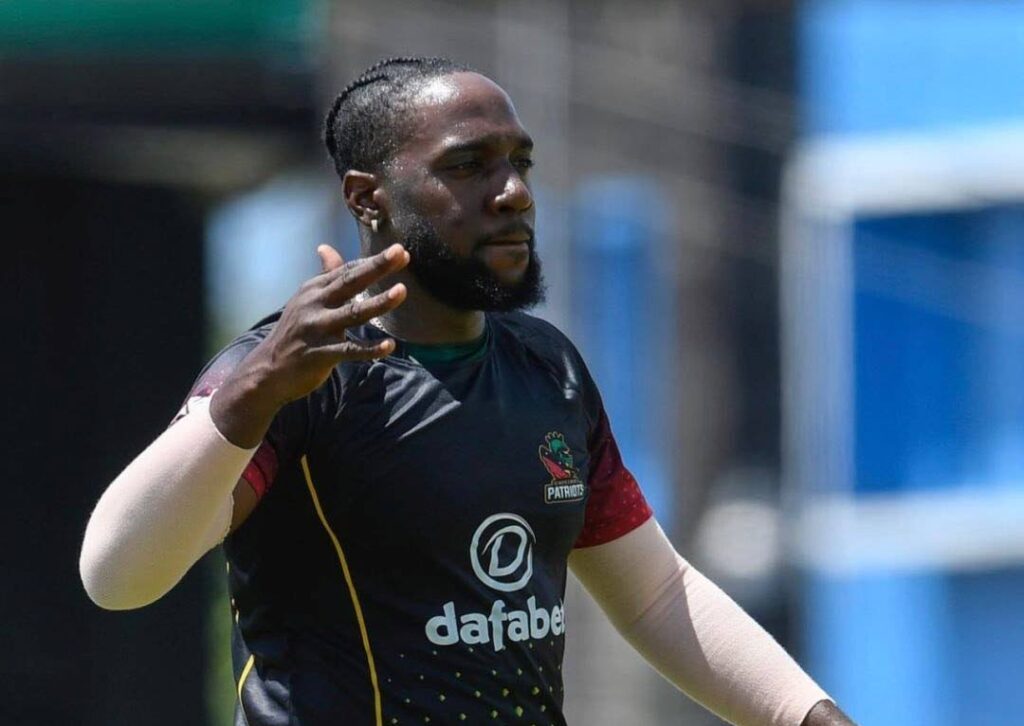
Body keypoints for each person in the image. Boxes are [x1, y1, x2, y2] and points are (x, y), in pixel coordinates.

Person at [79, 57, 855, 726]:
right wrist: (249, 396)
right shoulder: (293, 372)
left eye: (521, 161)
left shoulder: (548, 368)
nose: (514, 191)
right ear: (367, 197)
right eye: (467, 165)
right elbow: (116, 577)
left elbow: (657, 596)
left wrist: (811, 715)